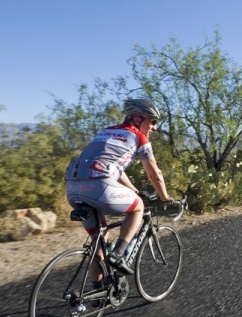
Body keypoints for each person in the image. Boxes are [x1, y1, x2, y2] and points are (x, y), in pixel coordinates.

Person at [65, 98, 179, 276]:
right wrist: (165, 198)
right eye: (153, 121)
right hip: (99, 186)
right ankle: (118, 255)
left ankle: (98, 292)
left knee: (99, 240)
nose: (154, 127)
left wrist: (133, 190)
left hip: (72, 188)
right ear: (139, 118)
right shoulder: (139, 137)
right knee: (138, 207)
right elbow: (154, 174)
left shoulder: (106, 132)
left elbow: (111, 166)